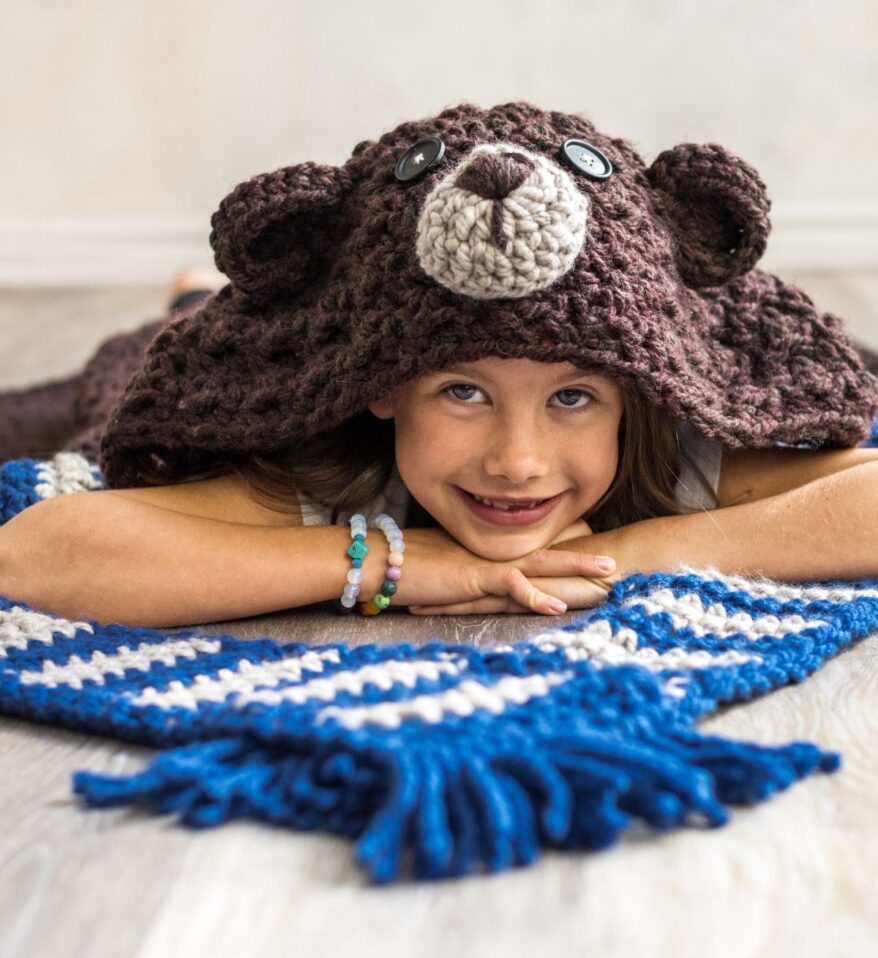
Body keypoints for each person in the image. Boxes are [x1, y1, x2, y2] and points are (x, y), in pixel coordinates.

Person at [2, 99, 878, 629]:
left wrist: (638, 550)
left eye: (572, 397)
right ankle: (193, 297)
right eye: (463, 392)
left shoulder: (668, 450)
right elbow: (36, 555)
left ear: (633, 397)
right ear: (384, 386)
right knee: (131, 373)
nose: (518, 460)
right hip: (281, 351)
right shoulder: (342, 473)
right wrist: (394, 562)